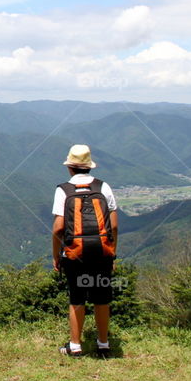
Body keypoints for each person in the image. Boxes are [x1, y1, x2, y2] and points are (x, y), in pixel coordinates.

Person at [51, 144, 119, 359]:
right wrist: (112, 251)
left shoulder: (63, 190)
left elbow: (58, 228)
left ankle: (75, 346)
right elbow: (114, 226)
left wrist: (57, 256)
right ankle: (103, 344)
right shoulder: (103, 187)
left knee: (77, 299)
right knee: (102, 298)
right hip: (102, 252)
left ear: (70, 167)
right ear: (89, 166)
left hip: (75, 254)